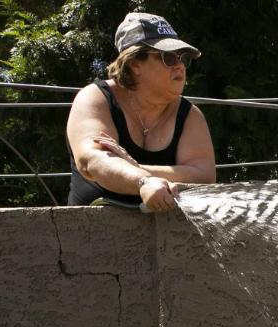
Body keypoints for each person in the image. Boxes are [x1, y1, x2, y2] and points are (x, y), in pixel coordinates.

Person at [66, 12, 216, 211]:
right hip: (92, 230)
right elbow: (92, 161)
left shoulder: (189, 115)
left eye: (183, 58)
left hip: (167, 235)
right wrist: (143, 182)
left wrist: (138, 170)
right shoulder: (95, 98)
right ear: (135, 63)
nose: (180, 65)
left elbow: (204, 178)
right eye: (169, 57)